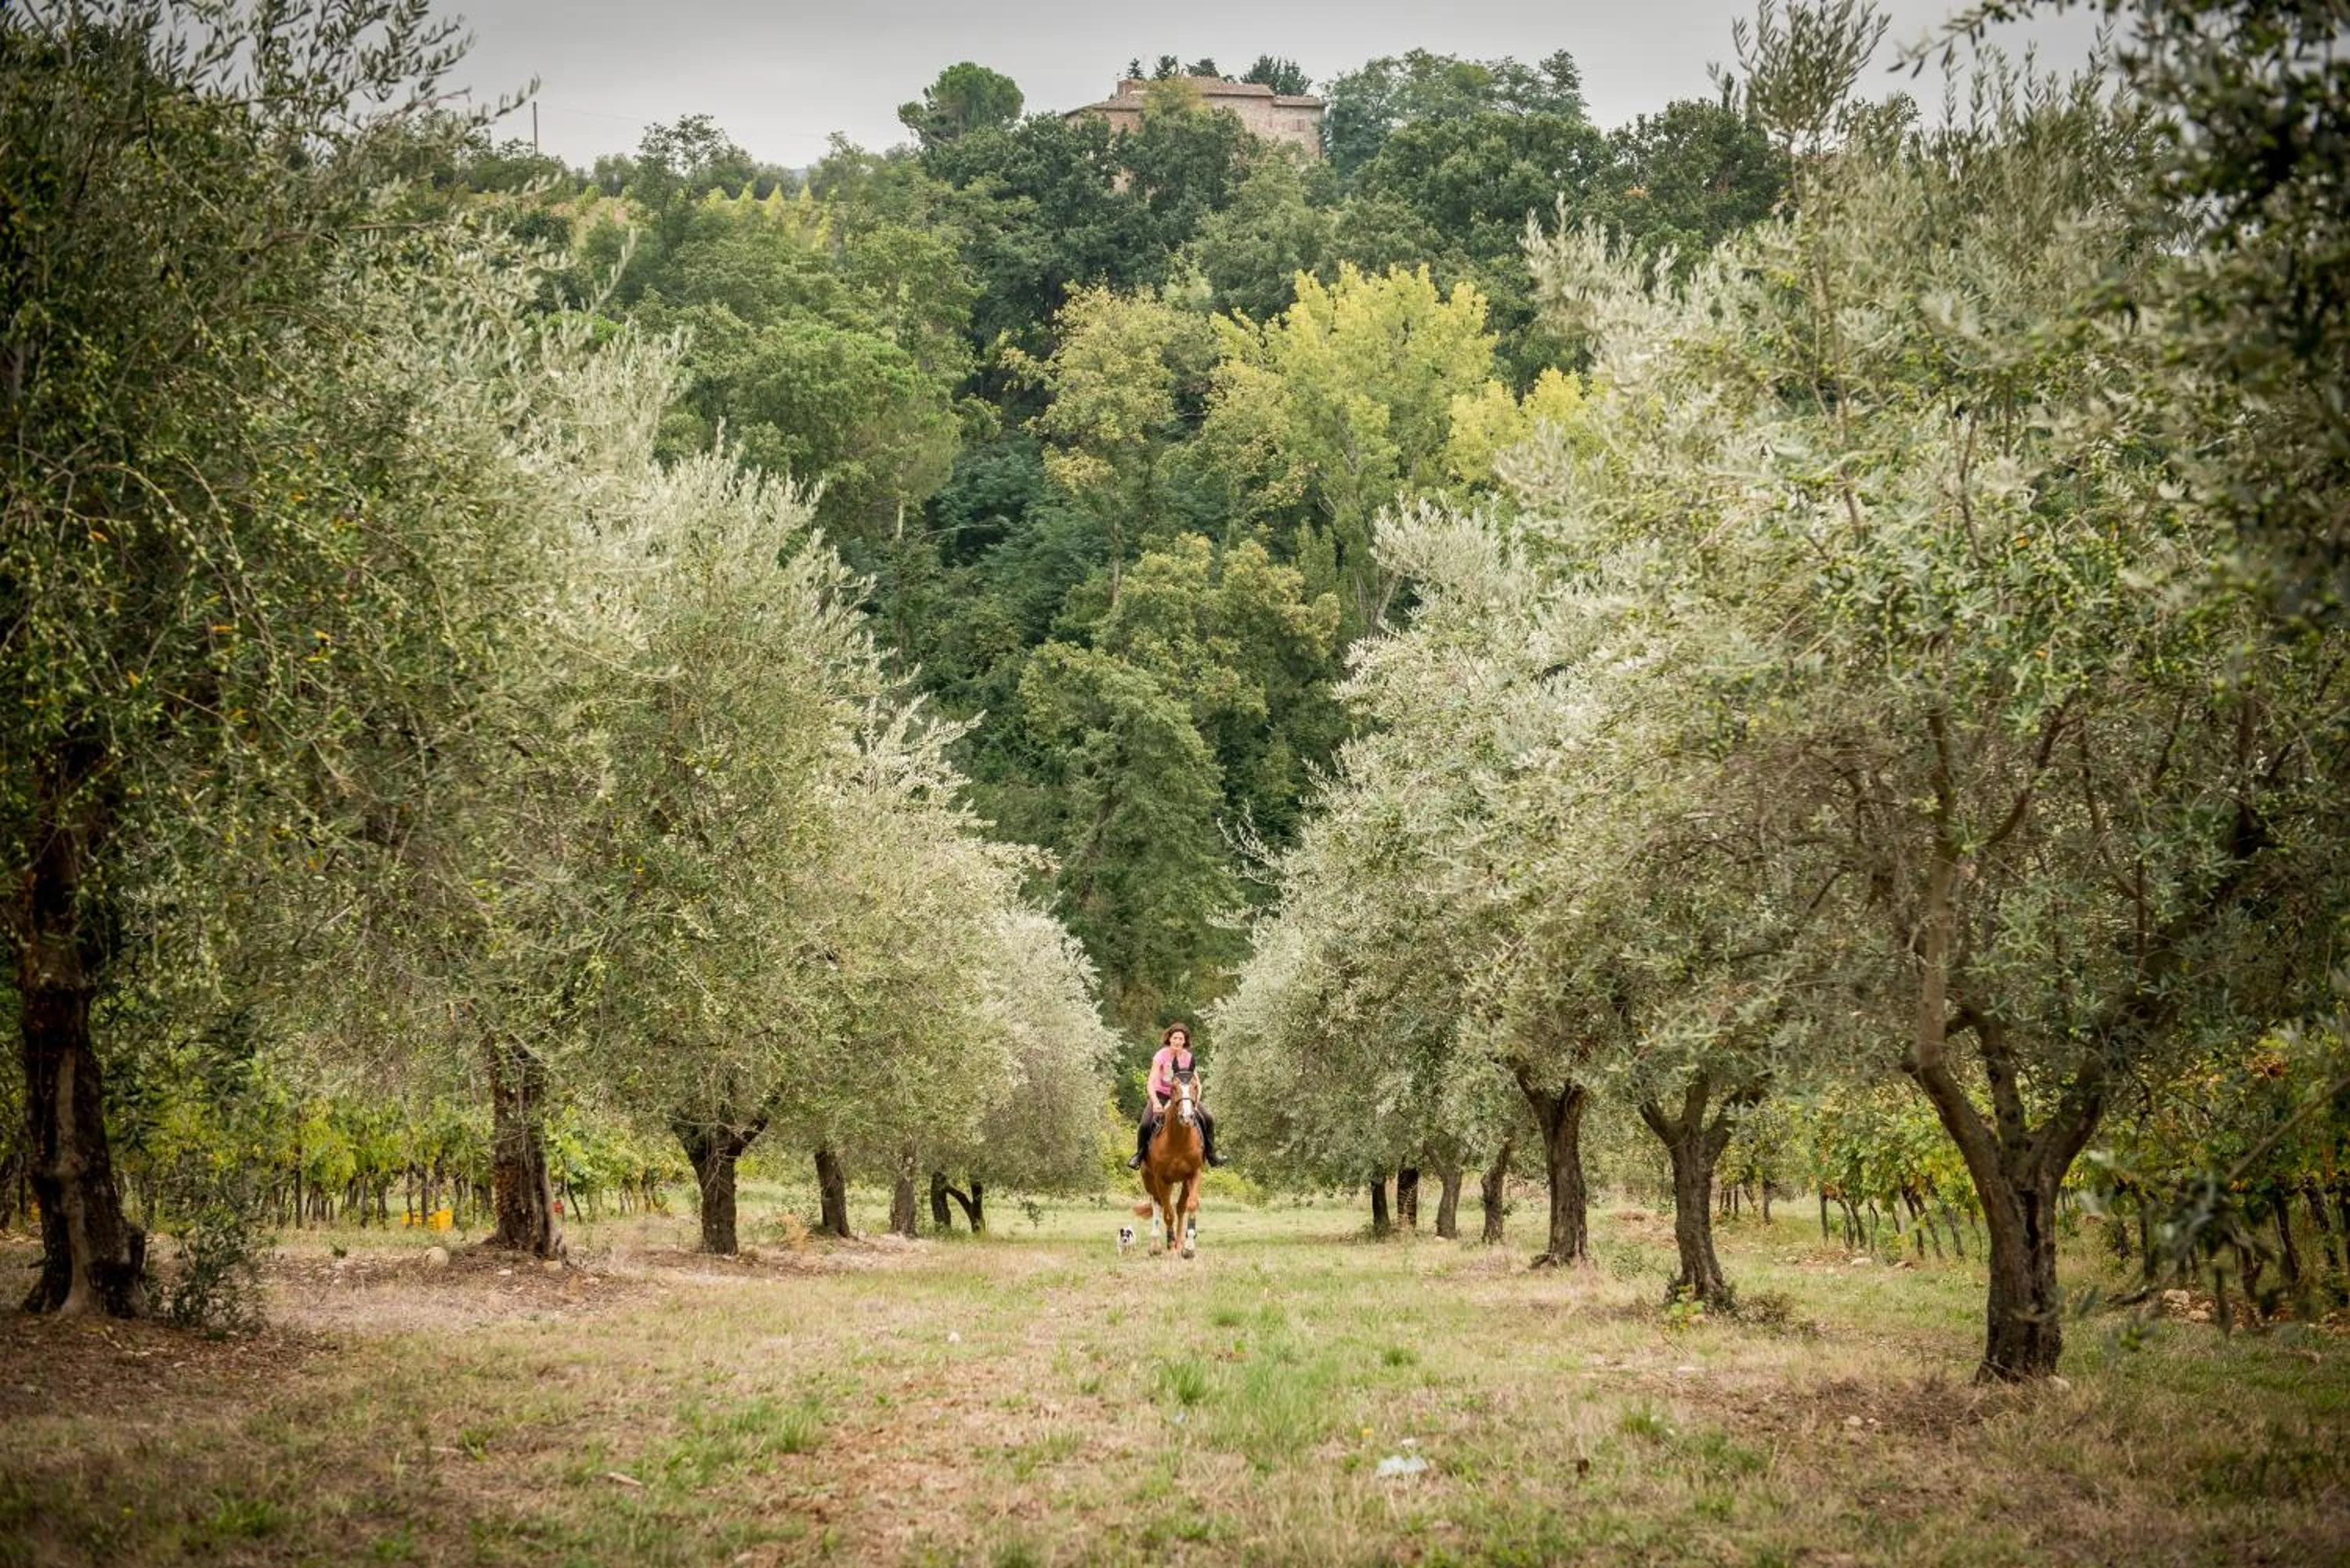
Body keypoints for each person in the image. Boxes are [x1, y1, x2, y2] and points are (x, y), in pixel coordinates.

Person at [1129, 1021, 1223, 1169]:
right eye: (1175, 1038)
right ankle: (1139, 1156)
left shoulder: (1188, 1057)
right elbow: (1151, 1082)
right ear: (1169, 1039)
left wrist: (1195, 1102)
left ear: (1185, 1041)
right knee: (1146, 1124)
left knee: (1208, 1118)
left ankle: (1211, 1155)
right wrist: (1156, 1102)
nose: (1177, 1041)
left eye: (1181, 1039)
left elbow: (1197, 1084)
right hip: (1162, 1095)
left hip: (1184, 1097)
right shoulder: (1161, 1056)